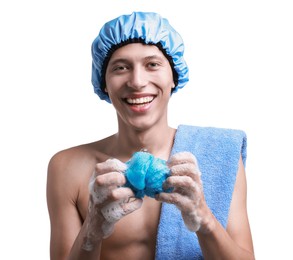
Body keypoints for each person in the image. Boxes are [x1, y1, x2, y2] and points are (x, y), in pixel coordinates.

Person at [46, 11, 255, 260]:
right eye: (121, 67)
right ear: (104, 83)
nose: (137, 81)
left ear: (173, 77)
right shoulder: (69, 168)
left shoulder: (220, 154)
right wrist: (93, 229)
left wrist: (204, 218)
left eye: (152, 64)